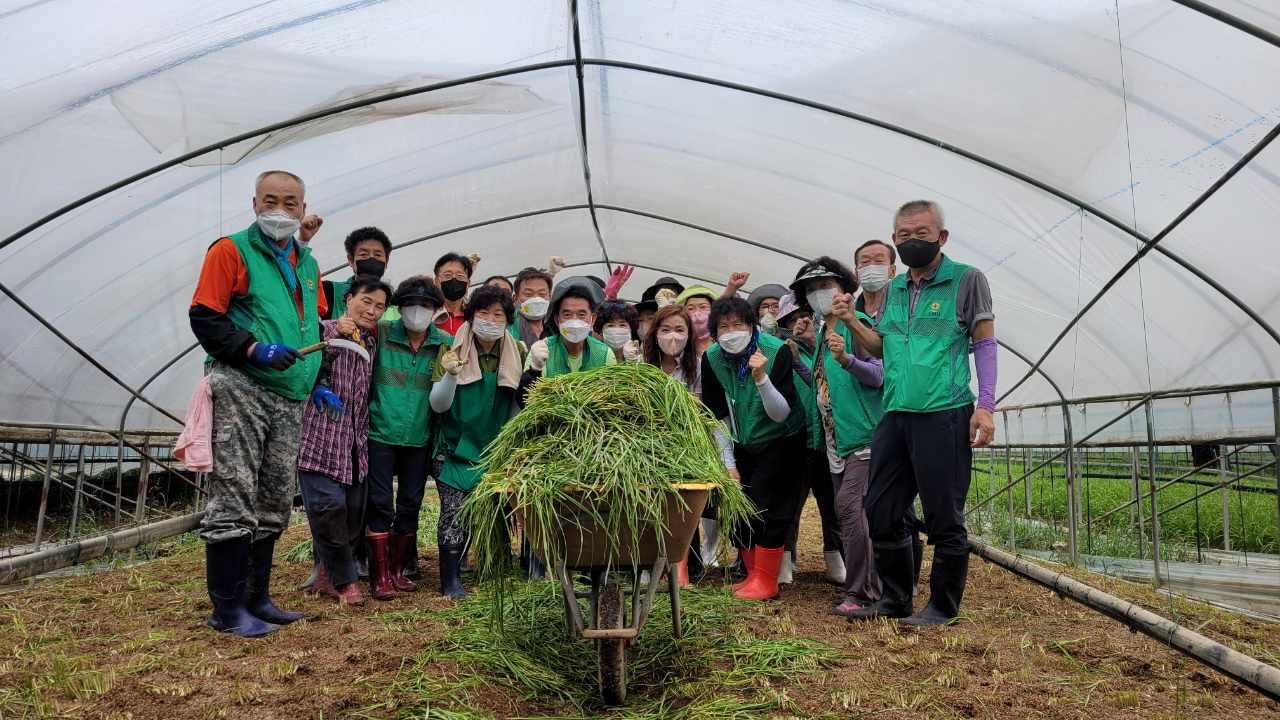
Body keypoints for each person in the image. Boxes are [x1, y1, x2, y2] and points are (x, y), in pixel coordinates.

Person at [844, 200, 997, 626]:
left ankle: (942, 607)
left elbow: (984, 343)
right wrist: (854, 324)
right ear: (895, 238)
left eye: (922, 234)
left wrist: (985, 406)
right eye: (904, 235)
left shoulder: (966, 280)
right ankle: (894, 599)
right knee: (881, 509)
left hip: (944, 411)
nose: (913, 241)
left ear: (941, 237)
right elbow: (882, 347)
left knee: (943, 514)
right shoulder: (891, 289)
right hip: (896, 412)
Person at [188, 169, 325, 637]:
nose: (281, 211)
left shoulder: (306, 264)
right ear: (254, 203)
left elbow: (311, 325)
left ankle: (257, 597)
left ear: (303, 210)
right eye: (271, 201)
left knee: (272, 499)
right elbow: (205, 316)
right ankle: (227, 609)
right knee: (235, 493)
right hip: (245, 386)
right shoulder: (231, 250)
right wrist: (250, 348)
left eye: (291, 203)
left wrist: (315, 377)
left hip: (289, 395)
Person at [788, 258, 886, 617]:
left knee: (849, 509)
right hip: (836, 442)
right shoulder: (822, 336)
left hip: (863, 436)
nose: (819, 294)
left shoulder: (856, 327)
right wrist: (801, 357)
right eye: (811, 290)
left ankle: (864, 592)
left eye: (826, 285)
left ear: (846, 289)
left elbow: (878, 376)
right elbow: (823, 386)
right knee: (853, 514)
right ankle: (871, 585)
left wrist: (847, 360)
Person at [700, 297, 806, 601]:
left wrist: (761, 378)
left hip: (782, 437)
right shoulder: (712, 359)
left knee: (767, 504)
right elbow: (716, 414)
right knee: (740, 505)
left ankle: (766, 580)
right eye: (723, 327)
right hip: (742, 439)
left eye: (738, 325)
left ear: (752, 327)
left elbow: (781, 412)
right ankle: (752, 575)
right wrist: (727, 462)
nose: (732, 332)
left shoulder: (775, 351)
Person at [298, 276, 390, 606]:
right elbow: (300, 365)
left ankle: (326, 573)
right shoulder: (322, 331)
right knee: (327, 508)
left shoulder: (371, 342)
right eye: (366, 301)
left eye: (380, 306)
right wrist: (319, 382)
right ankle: (346, 582)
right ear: (349, 299)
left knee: (352, 512)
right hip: (319, 439)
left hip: (354, 443)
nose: (372, 310)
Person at [429, 286, 524, 599]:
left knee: (485, 515)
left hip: (491, 448)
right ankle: (450, 580)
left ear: (508, 321)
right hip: (454, 447)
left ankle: (490, 568)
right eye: (483, 313)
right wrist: (450, 376)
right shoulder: (449, 351)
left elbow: (515, 405)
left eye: (498, 314)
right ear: (470, 316)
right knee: (454, 513)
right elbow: (438, 404)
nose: (490, 320)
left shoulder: (516, 352)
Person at [364, 276, 452, 600]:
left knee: (411, 503)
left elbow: (443, 392)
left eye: (426, 305)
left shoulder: (443, 343)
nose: (418, 311)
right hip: (381, 433)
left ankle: (399, 570)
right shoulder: (382, 333)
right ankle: (380, 575)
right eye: (411, 305)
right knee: (379, 502)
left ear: (436, 310)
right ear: (398, 309)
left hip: (419, 436)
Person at [853, 239, 926, 588]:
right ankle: (893, 585)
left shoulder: (905, 308)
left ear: (893, 270)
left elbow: (883, 369)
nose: (871, 267)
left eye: (878, 260)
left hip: (905, 414)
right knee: (883, 506)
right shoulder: (851, 314)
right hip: (873, 426)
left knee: (901, 506)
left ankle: (907, 580)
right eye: (864, 261)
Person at [771, 292, 841, 588]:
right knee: (789, 502)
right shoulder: (780, 351)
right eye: (792, 318)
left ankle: (835, 560)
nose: (801, 322)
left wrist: (813, 345)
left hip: (828, 439)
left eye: (807, 315)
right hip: (794, 438)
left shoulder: (830, 347)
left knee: (832, 503)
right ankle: (785, 562)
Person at [641, 304, 701, 585]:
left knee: (681, 511)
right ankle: (648, 567)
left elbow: (703, 413)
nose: (672, 337)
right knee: (647, 506)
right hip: (646, 450)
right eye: (665, 330)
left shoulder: (696, 369)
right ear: (655, 334)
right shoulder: (641, 369)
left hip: (684, 451)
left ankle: (679, 567)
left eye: (679, 330)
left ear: (689, 335)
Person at [522, 277, 614, 389]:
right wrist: (535, 369)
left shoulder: (604, 354)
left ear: (592, 319)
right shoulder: (541, 350)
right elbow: (524, 401)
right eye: (567, 315)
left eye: (581, 315)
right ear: (557, 320)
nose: (574, 321)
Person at [323, 227, 391, 319]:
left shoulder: (394, 303)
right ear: (351, 260)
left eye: (378, 255)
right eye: (364, 254)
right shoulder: (329, 291)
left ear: (386, 262)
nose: (371, 259)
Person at [510, 267, 554, 346]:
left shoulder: (555, 327)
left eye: (542, 294)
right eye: (528, 294)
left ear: (550, 297)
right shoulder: (509, 328)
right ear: (515, 298)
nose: (536, 299)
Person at [433, 252, 474, 336]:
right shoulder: (428, 313)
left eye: (460, 276)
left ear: (468, 283)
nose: (454, 279)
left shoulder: (474, 316)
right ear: (436, 281)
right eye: (448, 275)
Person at [677, 286, 717, 357]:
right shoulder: (680, 345)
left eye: (703, 307)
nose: (697, 313)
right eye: (691, 308)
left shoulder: (722, 343)